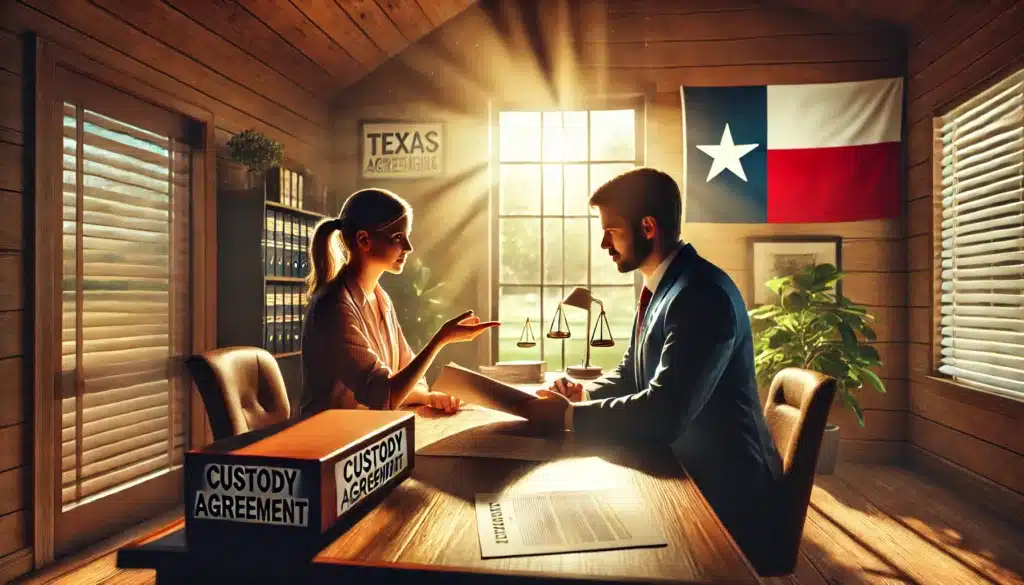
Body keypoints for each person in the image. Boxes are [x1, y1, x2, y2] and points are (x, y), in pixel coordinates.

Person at [517, 167, 782, 569]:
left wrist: (570, 417)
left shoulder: (700, 296)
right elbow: (630, 376)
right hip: (681, 470)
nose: (604, 243)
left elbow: (664, 414)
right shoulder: (665, 287)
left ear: (647, 227)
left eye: (612, 231)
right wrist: (582, 394)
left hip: (724, 498)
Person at [299, 188, 498, 416]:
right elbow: (385, 396)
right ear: (364, 240)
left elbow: (404, 374)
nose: (409, 248)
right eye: (398, 237)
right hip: (330, 439)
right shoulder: (334, 306)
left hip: (368, 433)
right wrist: (439, 340)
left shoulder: (379, 297)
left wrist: (428, 397)